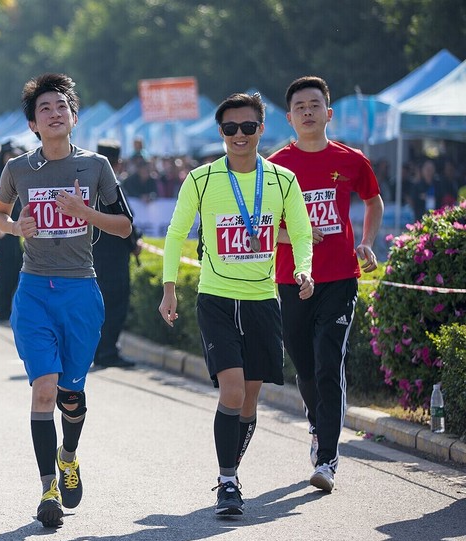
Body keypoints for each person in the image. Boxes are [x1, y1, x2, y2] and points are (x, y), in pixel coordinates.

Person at [159, 92, 314, 517]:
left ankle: (232, 467)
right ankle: (227, 482)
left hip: (263, 300)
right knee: (230, 390)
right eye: (230, 128)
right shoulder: (202, 179)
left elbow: (300, 232)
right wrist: (169, 287)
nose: (239, 135)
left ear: (262, 129)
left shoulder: (282, 180)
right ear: (221, 132)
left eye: (248, 127)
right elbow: (175, 235)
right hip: (217, 299)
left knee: (249, 401)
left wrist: (303, 269)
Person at [0, 73, 133, 528]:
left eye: (61, 107)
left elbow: (124, 227)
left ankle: (68, 454)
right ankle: (48, 487)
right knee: (44, 388)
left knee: (72, 394)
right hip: (33, 289)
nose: (54, 114)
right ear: (33, 123)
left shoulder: (95, 167)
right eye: (44, 109)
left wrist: (85, 213)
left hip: (80, 290)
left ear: (73, 117)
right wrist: (17, 228)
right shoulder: (18, 170)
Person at [269, 76, 384, 493]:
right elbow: (262, 224)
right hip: (292, 278)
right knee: (303, 364)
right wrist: (295, 236)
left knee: (328, 361)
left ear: (328, 113)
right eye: (299, 106)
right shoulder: (276, 166)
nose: (307, 112)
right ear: (289, 117)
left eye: (314, 104)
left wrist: (368, 242)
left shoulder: (351, 159)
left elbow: (373, 200)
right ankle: (318, 424)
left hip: (338, 279)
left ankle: (327, 458)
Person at [92, 140, 142, 368]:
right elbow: (126, 222)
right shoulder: (114, 186)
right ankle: (108, 352)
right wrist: (134, 245)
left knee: (98, 308)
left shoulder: (90, 186)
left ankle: (99, 351)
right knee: (114, 307)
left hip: (93, 255)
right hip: (114, 257)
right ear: (118, 162)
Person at [0, 142, 25, 322]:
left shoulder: (25, 174)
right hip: (4, 230)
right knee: (5, 272)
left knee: (19, 271)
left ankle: (12, 309)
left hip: (21, 230)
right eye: (9, 154)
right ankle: (4, 309)